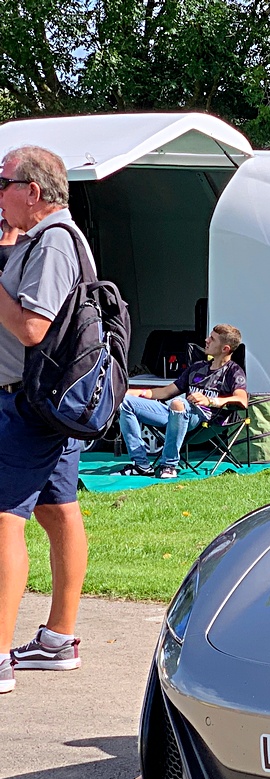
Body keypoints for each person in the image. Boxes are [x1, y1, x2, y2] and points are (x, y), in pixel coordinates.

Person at [0, 146, 95, 691]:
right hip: (51, 402)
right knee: (59, 511)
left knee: (4, 518)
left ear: (32, 192)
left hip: (27, 404)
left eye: (3, 184)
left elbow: (33, 327)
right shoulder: (45, 238)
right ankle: (58, 639)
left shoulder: (55, 243)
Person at [118, 323, 249, 478]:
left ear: (225, 349)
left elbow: (242, 400)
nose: (206, 340)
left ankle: (169, 465)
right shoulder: (197, 367)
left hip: (204, 421)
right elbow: (166, 392)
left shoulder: (233, 371)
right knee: (125, 402)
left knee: (178, 403)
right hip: (176, 413)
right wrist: (130, 392)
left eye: (212, 339)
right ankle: (141, 464)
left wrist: (210, 400)